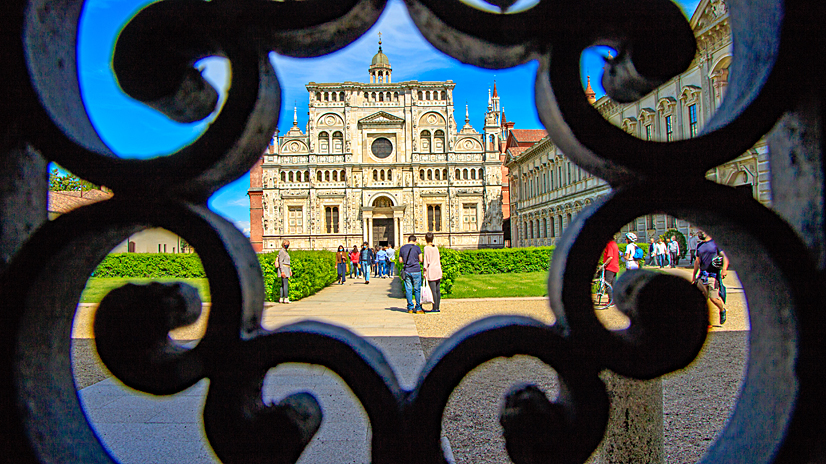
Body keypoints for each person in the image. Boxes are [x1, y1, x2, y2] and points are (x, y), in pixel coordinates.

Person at [692, 231, 729, 325]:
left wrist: (724, 269)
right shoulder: (699, 246)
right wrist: (694, 276)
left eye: (701, 231)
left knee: (714, 299)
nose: (699, 234)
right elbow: (697, 262)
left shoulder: (715, 244)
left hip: (713, 275)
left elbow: (725, 257)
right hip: (702, 276)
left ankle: (722, 310)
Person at [399, 234, 424, 314]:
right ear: (415, 241)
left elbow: (400, 260)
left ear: (408, 240)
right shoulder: (417, 248)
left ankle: (410, 307)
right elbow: (421, 259)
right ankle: (418, 308)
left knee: (408, 289)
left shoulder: (402, 248)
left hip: (407, 271)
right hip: (416, 270)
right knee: (417, 289)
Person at [423, 232, 443, 313]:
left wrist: (425, 271)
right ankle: (437, 307)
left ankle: (434, 308)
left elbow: (426, 261)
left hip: (431, 270)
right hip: (438, 269)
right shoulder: (436, 248)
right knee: (438, 290)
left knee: (433, 290)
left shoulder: (426, 248)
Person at [602, 239, 620, 306]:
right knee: (613, 284)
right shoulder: (614, 244)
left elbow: (610, 257)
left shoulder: (609, 244)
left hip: (610, 267)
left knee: (607, 283)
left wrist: (604, 264)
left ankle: (611, 301)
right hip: (615, 266)